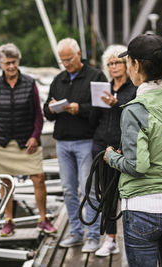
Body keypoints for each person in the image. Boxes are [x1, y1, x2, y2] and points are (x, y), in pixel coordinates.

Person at [105, 33, 162, 266]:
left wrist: (111, 158)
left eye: (128, 62)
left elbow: (138, 166)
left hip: (141, 210)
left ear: (136, 65)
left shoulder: (135, 110)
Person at [0, 43, 56, 237]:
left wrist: (35, 136)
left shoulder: (30, 83)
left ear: (18, 62)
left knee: (38, 178)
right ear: (1, 64)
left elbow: (38, 116)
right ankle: (8, 221)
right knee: (6, 182)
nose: (11, 67)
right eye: (7, 63)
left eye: (14, 62)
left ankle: (43, 219)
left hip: (27, 141)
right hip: (1, 141)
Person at [43, 38, 107, 253]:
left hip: (85, 141)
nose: (66, 64)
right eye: (62, 61)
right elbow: (46, 111)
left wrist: (79, 109)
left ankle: (93, 236)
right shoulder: (58, 79)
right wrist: (51, 109)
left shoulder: (96, 76)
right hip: (62, 142)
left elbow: (102, 109)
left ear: (79, 54)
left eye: (69, 59)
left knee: (88, 190)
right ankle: (76, 232)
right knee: (69, 190)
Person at [89, 45, 136, 257]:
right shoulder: (104, 87)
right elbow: (94, 118)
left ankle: (132, 239)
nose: (114, 66)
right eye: (110, 63)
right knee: (106, 196)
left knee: (127, 195)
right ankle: (110, 239)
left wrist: (116, 103)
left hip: (124, 149)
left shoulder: (133, 88)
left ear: (126, 64)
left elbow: (134, 113)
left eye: (117, 62)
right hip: (102, 147)